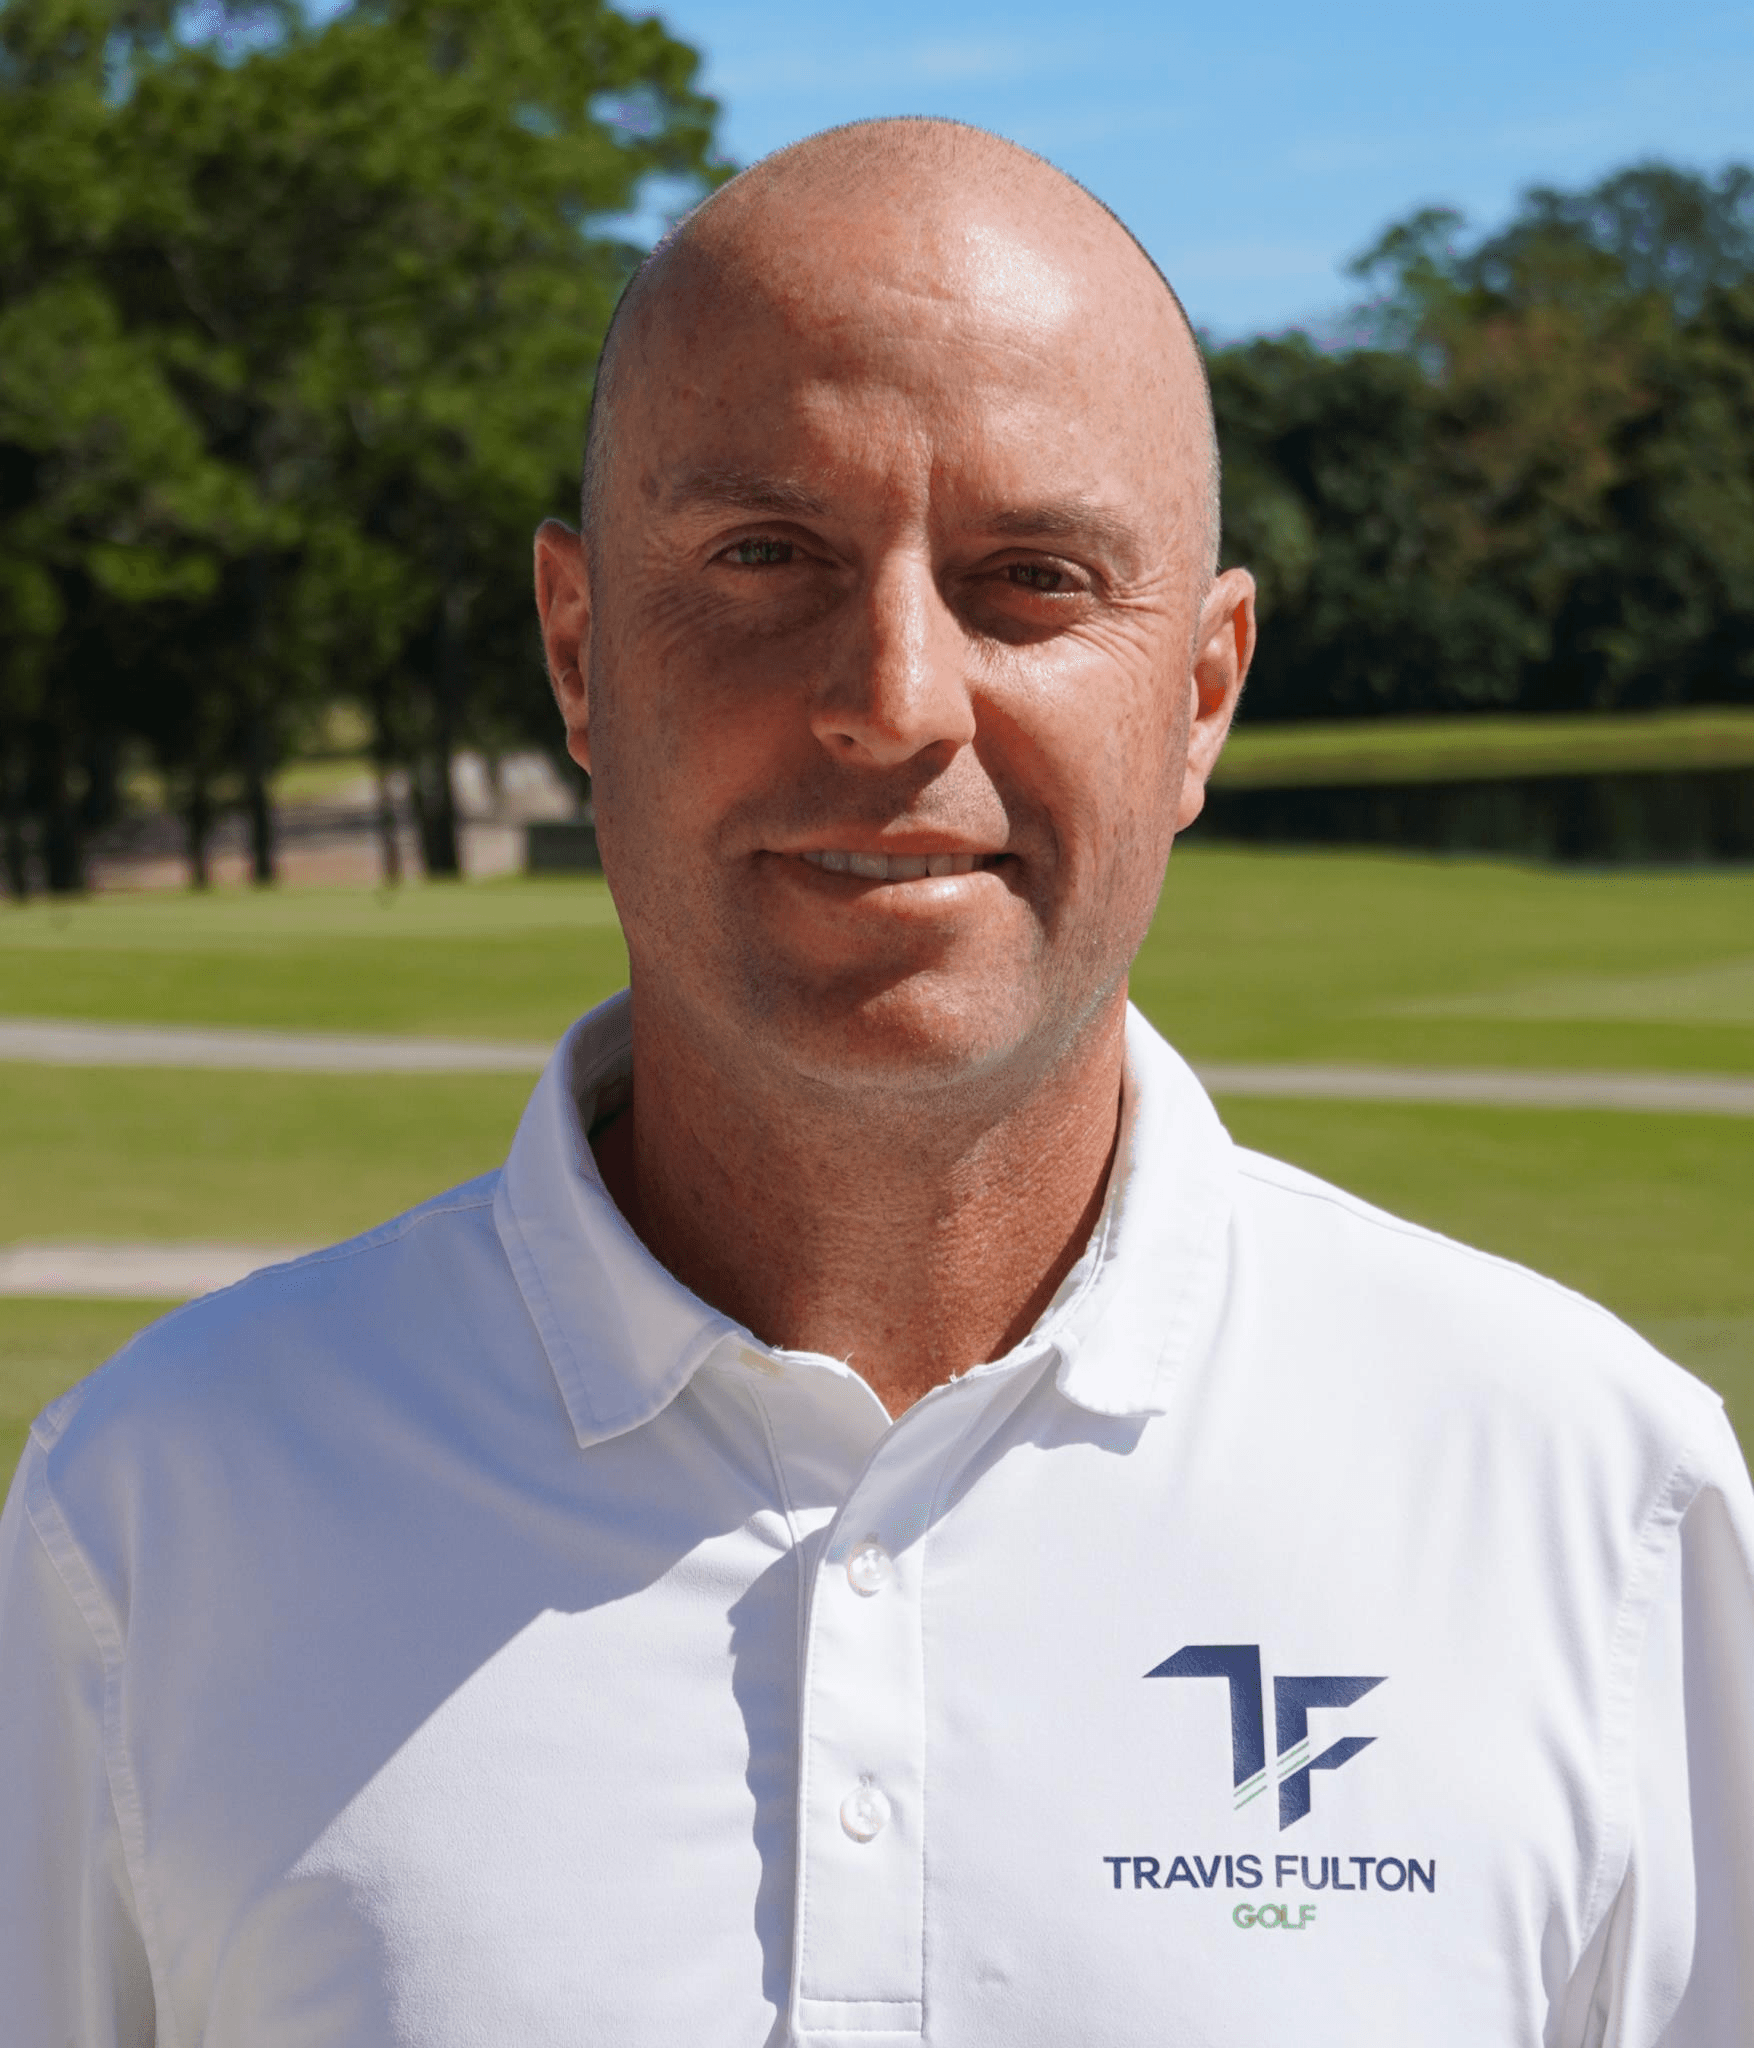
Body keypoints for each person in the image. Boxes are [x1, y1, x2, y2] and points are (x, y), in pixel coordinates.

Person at [2, 118, 1750, 2048]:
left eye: (1031, 576)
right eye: (764, 555)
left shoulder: (1589, 1497)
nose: (896, 696)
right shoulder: (158, 1516)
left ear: (1201, 690)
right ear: (578, 653)